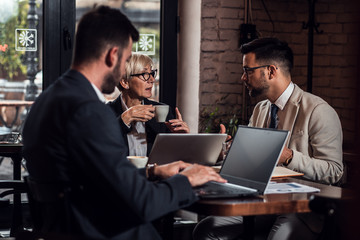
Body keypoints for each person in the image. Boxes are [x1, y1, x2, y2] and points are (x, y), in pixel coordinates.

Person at [22, 6, 226, 240]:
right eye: (127, 59)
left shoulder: (46, 101)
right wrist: (186, 180)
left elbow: (96, 181)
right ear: (113, 55)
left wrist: (152, 172)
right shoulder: (91, 112)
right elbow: (140, 203)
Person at [193, 37, 343, 240]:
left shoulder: (319, 111)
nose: (242, 78)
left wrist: (290, 157)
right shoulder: (261, 109)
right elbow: (250, 163)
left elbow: (335, 172)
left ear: (271, 71)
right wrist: (226, 151)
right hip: (260, 202)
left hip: (301, 210)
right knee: (205, 229)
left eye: (248, 71)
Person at [107, 53, 189, 156]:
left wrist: (181, 140)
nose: (152, 80)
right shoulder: (105, 112)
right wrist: (124, 120)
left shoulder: (162, 111)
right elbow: (98, 148)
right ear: (125, 82)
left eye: (151, 73)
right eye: (144, 74)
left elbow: (171, 158)